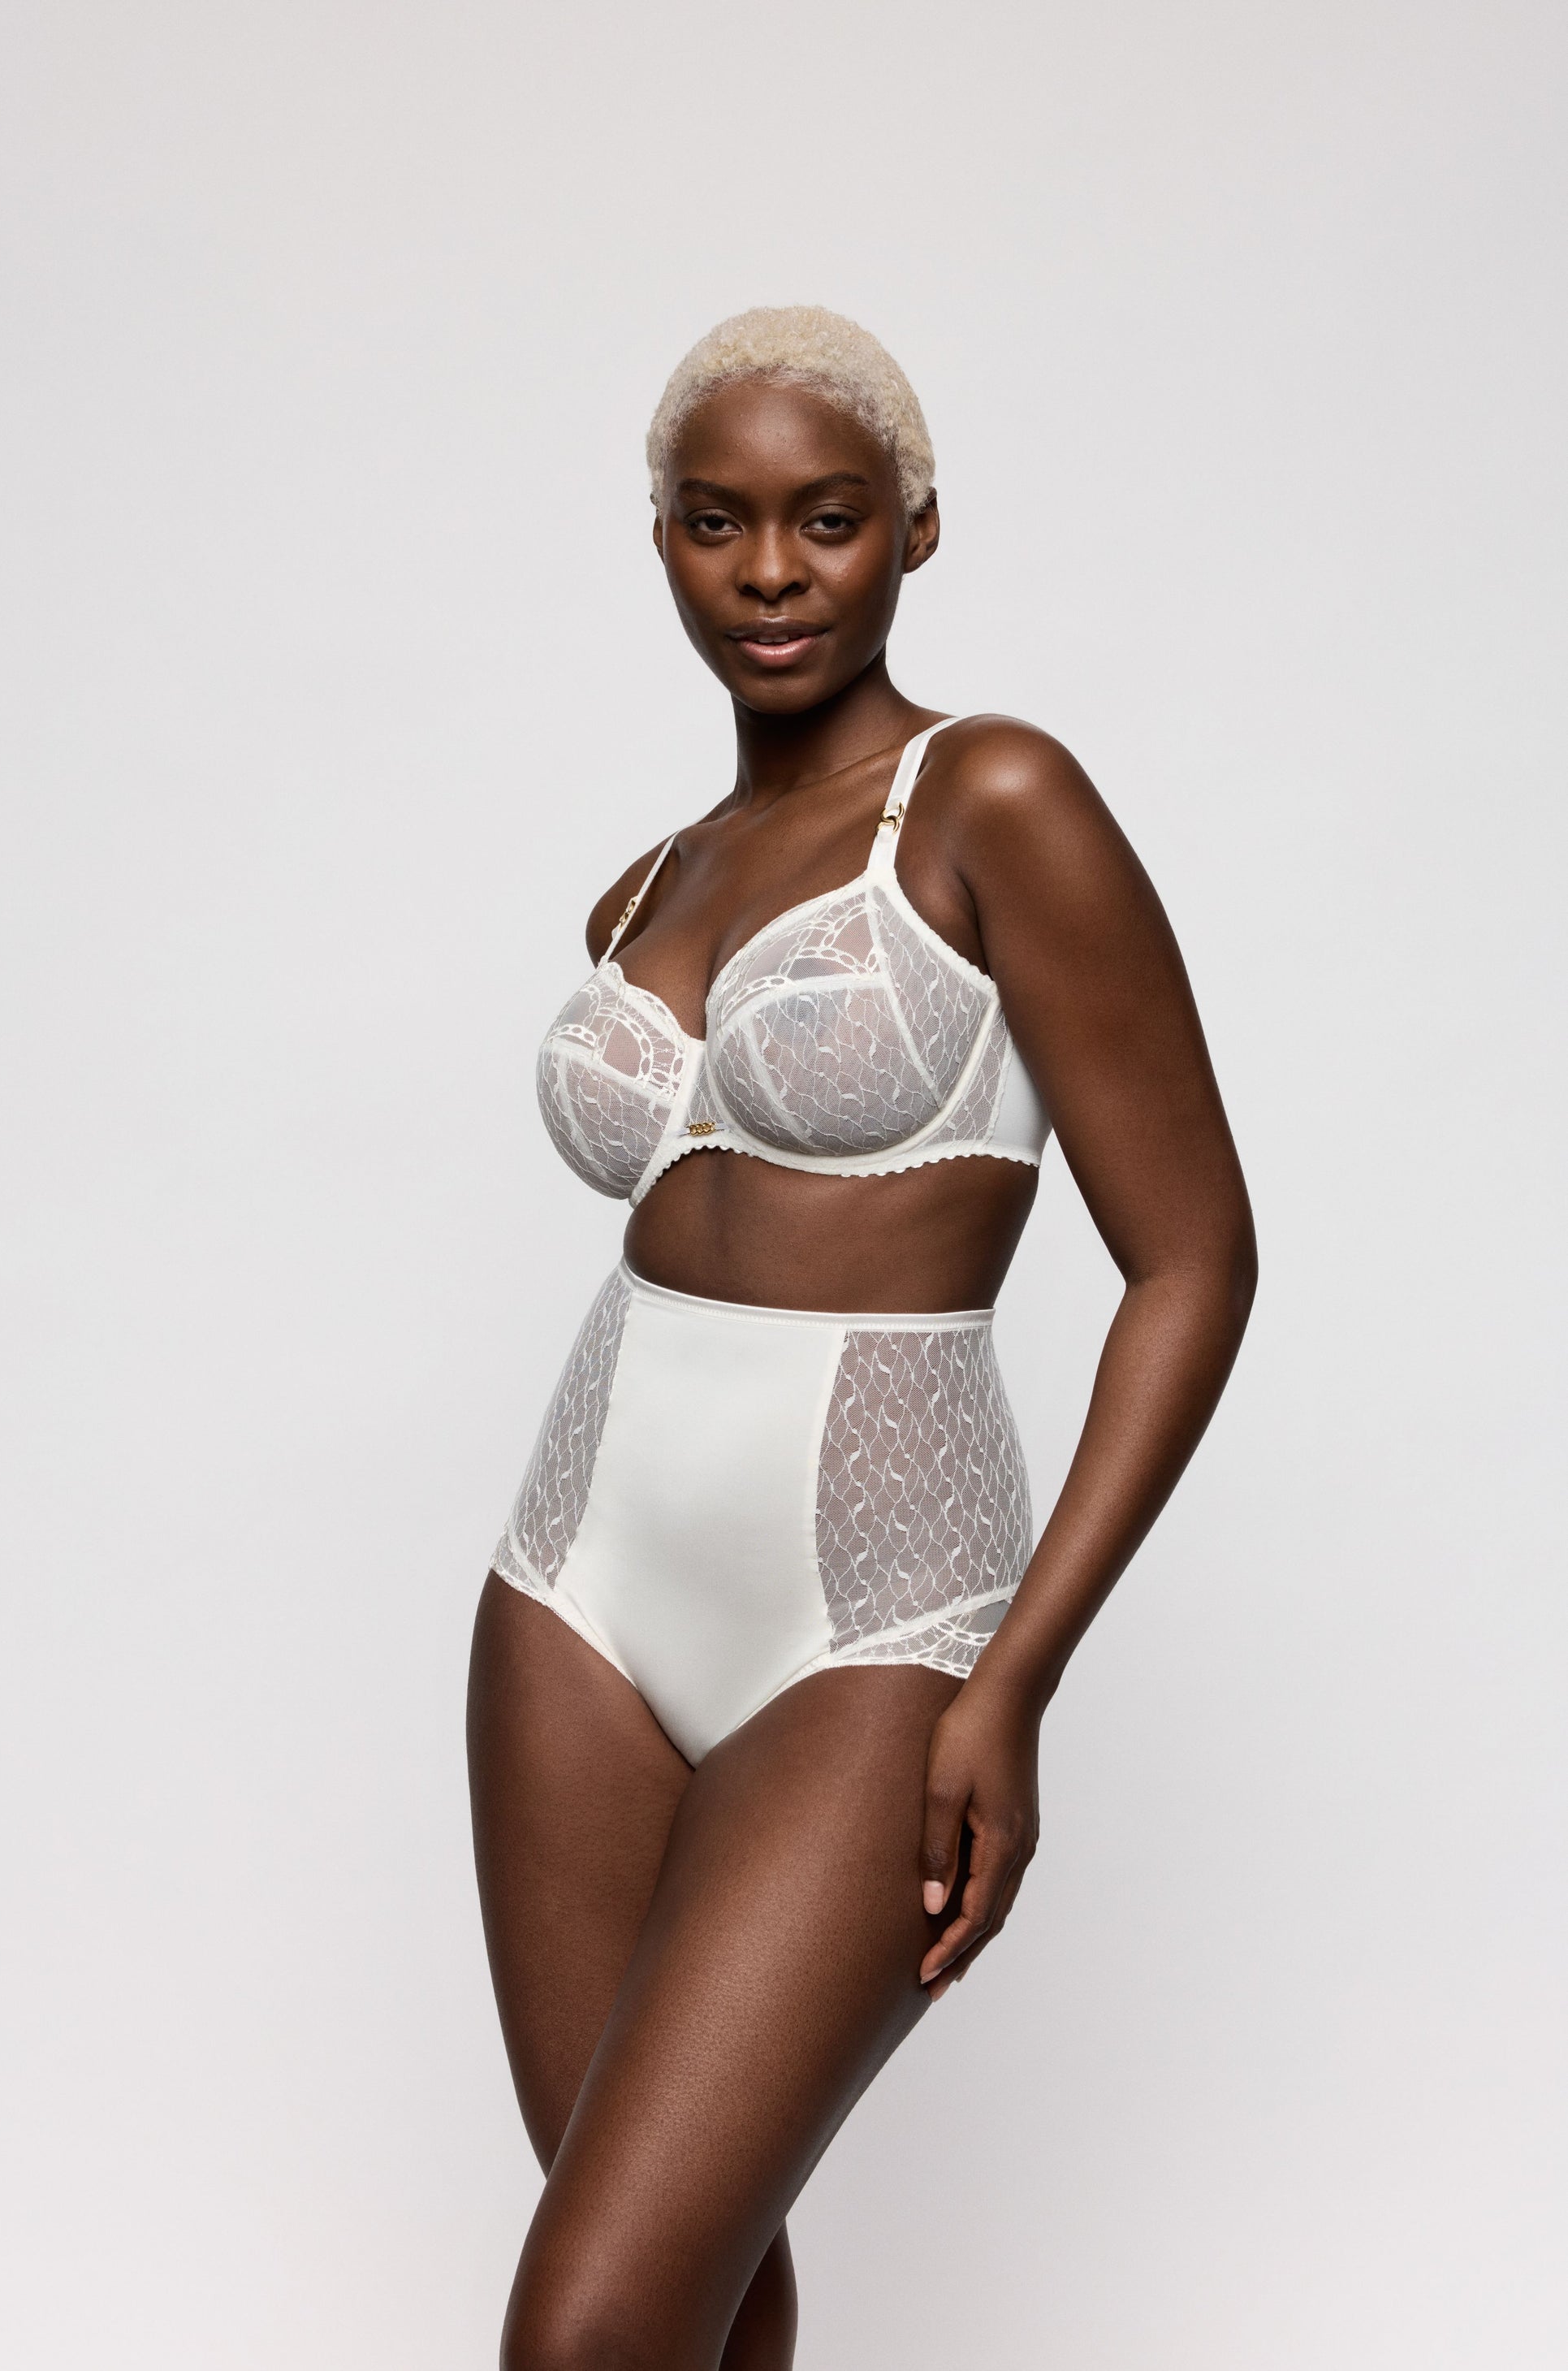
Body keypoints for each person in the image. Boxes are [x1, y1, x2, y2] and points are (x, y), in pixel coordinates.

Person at [466, 305, 1256, 2370]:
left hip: (877, 1608)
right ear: (660, 538)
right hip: (569, 1584)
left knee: (584, 2329)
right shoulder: (650, 880)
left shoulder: (992, 795)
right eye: (713, 521)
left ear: (916, 526)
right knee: (698, 2294)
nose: (769, 571)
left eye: (825, 518)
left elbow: (1192, 1260)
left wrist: (1017, 1675)